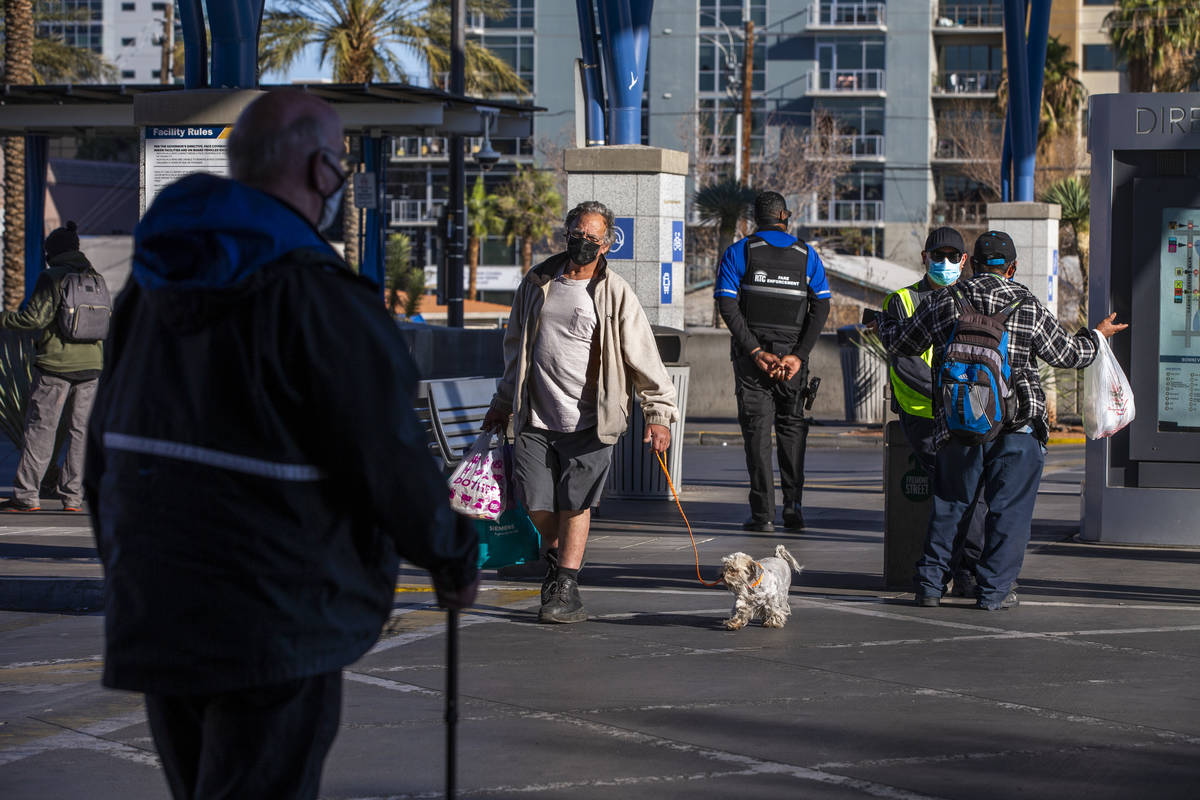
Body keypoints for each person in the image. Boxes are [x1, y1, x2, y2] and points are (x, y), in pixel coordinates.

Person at [82, 90, 479, 800]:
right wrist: (451, 551)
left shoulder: (149, 288)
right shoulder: (318, 296)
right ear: (322, 169)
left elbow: (104, 449)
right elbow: (387, 455)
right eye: (341, 163)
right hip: (276, 619)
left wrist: (126, 564)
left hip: (161, 603)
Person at [875, 230, 1127, 610]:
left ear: (971, 264)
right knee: (1009, 511)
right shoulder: (1026, 304)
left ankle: (928, 586)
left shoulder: (946, 300)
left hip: (959, 423)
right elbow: (1068, 354)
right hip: (1018, 425)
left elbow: (903, 344)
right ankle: (993, 592)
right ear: (1012, 268)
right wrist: (1098, 336)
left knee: (951, 504)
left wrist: (883, 325)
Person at [482, 200, 678, 624]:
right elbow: (514, 351)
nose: (584, 242)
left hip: (590, 420)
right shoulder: (537, 282)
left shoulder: (614, 292)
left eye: (594, 238)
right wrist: (501, 404)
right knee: (537, 503)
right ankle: (556, 563)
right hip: (535, 416)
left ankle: (567, 586)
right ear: (566, 232)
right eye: (578, 234)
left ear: (607, 245)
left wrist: (658, 414)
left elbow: (643, 357)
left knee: (576, 504)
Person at [713, 191, 831, 532]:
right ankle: (793, 507)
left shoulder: (739, 252)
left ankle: (762, 514)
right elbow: (821, 306)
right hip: (793, 363)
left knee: (757, 434)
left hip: (754, 363)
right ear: (786, 216)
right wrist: (798, 356)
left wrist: (755, 352)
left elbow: (727, 305)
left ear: (755, 219)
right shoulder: (807, 255)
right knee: (792, 429)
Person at [882, 226, 985, 597]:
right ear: (924, 258)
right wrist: (948, 396)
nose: (944, 263)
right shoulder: (902, 301)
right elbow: (904, 363)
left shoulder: (972, 299)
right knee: (957, 489)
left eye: (952, 257)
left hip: (965, 415)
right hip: (925, 415)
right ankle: (955, 572)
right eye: (937, 256)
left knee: (969, 491)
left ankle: (954, 571)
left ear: (964, 261)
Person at [0, 222, 105, 513]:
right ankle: (73, 498)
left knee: (40, 430)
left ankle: (26, 496)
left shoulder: (52, 278)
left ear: (52, 253)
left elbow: (33, 320)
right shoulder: (95, 278)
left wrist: (4, 319)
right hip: (92, 368)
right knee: (80, 433)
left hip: (56, 367)